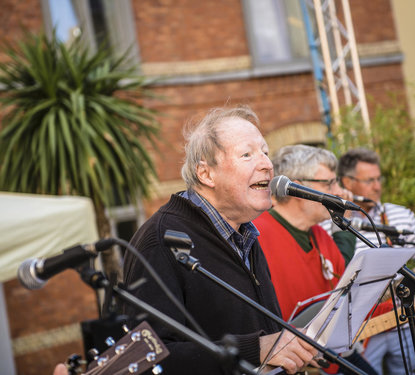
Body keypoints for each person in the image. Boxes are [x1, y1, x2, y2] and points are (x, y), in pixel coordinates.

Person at [121, 106, 319, 375]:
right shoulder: (160, 242)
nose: (266, 164)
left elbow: (260, 331)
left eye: (265, 152)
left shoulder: (244, 232)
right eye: (247, 154)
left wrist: (289, 348)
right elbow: (144, 358)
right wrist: (257, 349)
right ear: (206, 174)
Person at [253, 145, 415, 375]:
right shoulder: (258, 235)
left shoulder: (320, 236)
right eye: (329, 184)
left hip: (330, 360)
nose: (340, 192)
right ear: (296, 186)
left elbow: (347, 306)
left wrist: (404, 307)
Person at [322, 147, 415, 375]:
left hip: (403, 319)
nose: (377, 186)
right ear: (347, 182)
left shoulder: (399, 215)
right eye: (369, 180)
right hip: (360, 329)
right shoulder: (328, 224)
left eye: (378, 178)